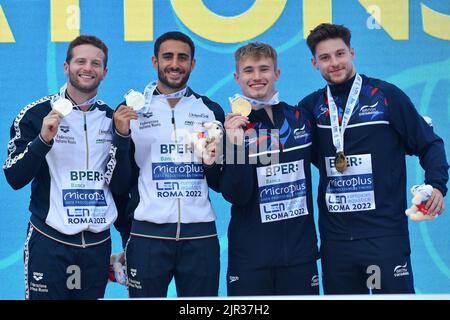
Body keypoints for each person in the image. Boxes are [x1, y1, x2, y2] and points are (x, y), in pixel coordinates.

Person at [298, 23, 449, 294]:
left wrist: (437, 185)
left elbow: (430, 144)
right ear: (314, 63)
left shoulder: (386, 97)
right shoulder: (309, 108)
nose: (334, 63)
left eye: (340, 54)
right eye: (325, 57)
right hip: (337, 241)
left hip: (384, 237)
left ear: (352, 53)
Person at [3, 35, 130, 299]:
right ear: (65, 67)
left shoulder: (111, 118)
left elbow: (120, 186)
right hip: (49, 243)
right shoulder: (36, 114)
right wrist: (43, 140)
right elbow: (14, 177)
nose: (88, 68)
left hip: (96, 246)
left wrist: (129, 239)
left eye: (96, 63)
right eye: (80, 61)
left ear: (105, 72)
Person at [109, 31, 225, 297]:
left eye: (182, 57)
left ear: (193, 64)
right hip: (147, 236)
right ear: (154, 61)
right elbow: (118, 182)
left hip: (200, 236)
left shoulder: (210, 110)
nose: (175, 64)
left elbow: (220, 182)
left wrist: (210, 162)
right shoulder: (129, 110)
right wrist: (121, 137)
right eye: (168, 56)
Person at [220, 42, 319, 296]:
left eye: (264, 69)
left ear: (277, 73)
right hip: (251, 259)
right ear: (237, 77)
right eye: (248, 70)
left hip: (300, 256)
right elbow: (235, 194)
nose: (256, 77)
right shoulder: (231, 127)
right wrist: (235, 145)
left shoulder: (301, 118)